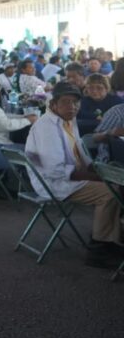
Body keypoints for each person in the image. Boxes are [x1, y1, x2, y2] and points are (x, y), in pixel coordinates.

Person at [24, 82, 122, 268]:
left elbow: (79, 152)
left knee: (115, 184)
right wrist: (95, 177)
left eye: (76, 102)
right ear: (53, 105)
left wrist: (95, 169)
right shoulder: (48, 127)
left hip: (70, 176)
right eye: (66, 102)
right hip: (54, 183)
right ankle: (98, 249)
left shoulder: (68, 120)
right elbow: (56, 171)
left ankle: (109, 239)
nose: (73, 106)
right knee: (111, 192)